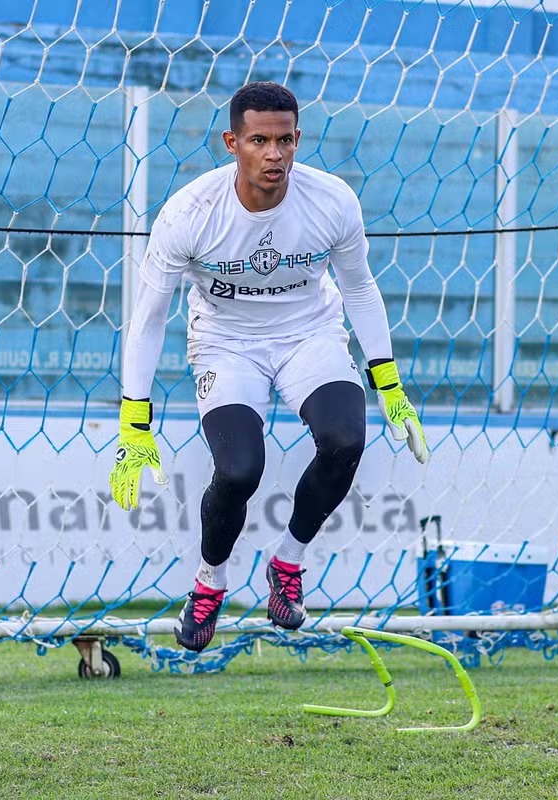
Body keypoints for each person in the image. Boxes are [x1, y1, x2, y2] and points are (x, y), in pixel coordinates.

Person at [109, 81, 429, 652]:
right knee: (238, 472)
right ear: (233, 142)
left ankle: (288, 564)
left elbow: (358, 287)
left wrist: (390, 383)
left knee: (345, 439)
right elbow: (148, 319)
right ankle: (209, 584)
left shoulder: (333, 202)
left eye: (285, 140)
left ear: (298, 139)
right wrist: (135, 422)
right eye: (260, 140)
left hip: (310, 335)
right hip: (226, 343)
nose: (274, 154)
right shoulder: (188, 214)